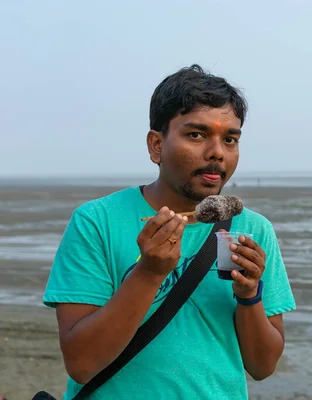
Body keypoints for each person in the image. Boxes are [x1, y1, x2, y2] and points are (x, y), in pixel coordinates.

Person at [42, 64, 296, 399]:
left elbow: (263, 367)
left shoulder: (253, 229)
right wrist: (148, 273)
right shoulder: (96, 222)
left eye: (230, 139)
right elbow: (82, 362)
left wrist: (250, 296)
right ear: (156, 145)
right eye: (196, 134)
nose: (217, 152)